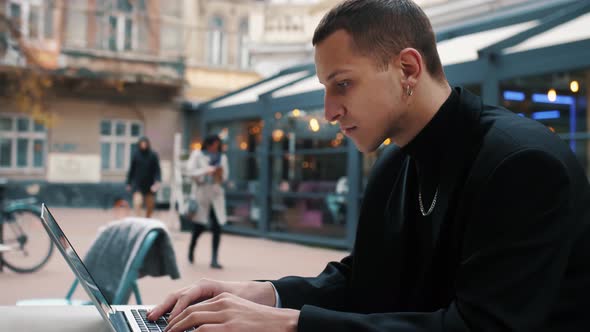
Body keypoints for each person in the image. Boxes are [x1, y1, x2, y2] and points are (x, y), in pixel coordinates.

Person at [148, 1, 590, 331]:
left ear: (408, 69)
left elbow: (479, 327)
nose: (329, 111)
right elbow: (366, 279)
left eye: (342, 84)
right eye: (326, 88)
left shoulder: (522, 164)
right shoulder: (395, 162)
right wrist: (262, 293)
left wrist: (290, 324)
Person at [185, 135, 229, 269]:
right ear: (208, 144)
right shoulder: (198, 155)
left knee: (217, 227)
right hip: (202, 194)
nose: (215, 147)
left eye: (217, 144)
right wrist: (206, 171)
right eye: (213, 144)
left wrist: (219, 174)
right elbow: (190, 171)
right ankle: (192, 248)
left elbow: (225, 177)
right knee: (199, 226)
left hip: (215, 195)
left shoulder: (222, 157)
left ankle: (214, 259)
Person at [126, 136, 161, 218]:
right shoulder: (136, 155)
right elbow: (131, 170)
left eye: (145, 143)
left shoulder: (153, 155)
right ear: (139, 144)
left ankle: (147, 219)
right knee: (137, 203)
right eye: (142, 143)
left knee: (150, 205)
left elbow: (157, 170)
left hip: (150, 185)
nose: (143, 145)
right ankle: (138, 220)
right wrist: (128, 183)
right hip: (138, 185)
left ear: (148, 144)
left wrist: (157, 181)